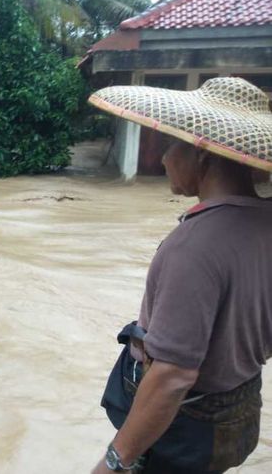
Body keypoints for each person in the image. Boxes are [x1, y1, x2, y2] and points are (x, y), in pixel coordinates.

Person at [88, 78, 272, 473]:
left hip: (184, 431)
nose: (164, 158)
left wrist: (114, 461)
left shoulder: (194, 246)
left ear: (203, 154)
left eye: (173, 145)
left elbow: (172, 376)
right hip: (238, 414)